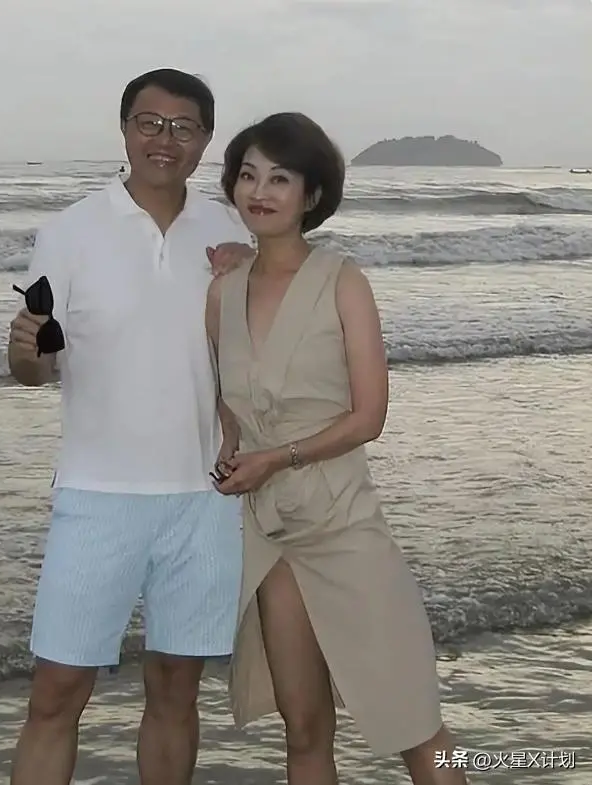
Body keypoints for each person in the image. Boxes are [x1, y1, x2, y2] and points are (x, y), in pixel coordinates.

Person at [205, 112, 469, 785]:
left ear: (312, 194)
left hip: (344, 522)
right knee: (303, 730)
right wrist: (230, 449)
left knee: (415, 724)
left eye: (280, 178)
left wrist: (277, 457)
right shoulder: (222, 292)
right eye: (248, 175)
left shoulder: (341, 279)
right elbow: (226, 405)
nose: (259, 191)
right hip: (270, 535)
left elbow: (369, 416)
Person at [7, 68, 254, 785]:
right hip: (98, 495)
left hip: (205, 497)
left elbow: (257, 350)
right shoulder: (71, 231)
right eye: (149, 123)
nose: (164, 140)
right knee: (56, 693)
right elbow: (35, 369)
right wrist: (24, 349)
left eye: (184, 127)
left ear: (205, 139)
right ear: (124, 129)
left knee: (176, 687)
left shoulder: (230, 229)